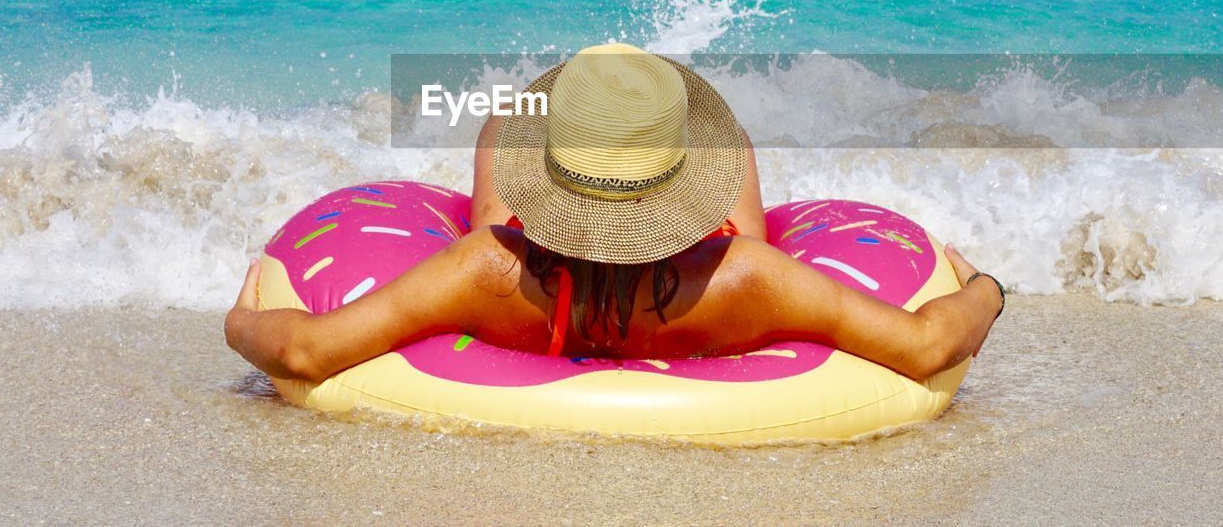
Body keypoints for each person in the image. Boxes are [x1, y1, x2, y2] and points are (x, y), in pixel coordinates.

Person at [225, 43, 1002, 384]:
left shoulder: (486, 269)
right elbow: (929, 344)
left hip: (540, 289)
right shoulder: (752, 278)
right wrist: (986, 288)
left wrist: (239, 319)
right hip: (697, 295)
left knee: (505, 119)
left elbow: (302, 352)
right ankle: (630, 142)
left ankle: (592, 141)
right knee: (727, 152)